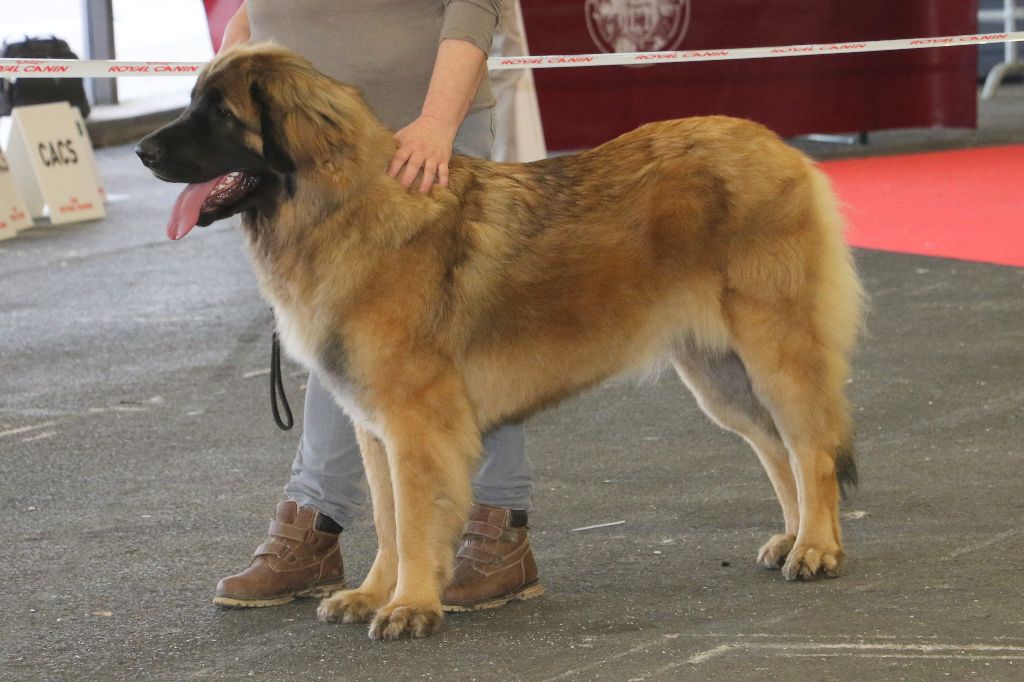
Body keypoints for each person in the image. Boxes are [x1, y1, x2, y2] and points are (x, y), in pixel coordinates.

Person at [211, 0, 542, 613]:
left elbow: (474, 6)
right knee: (342, 344)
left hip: (420, 129)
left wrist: (438, 121)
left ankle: (499, 528)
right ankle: (319, 523)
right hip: (299, 137)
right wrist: (223, 91)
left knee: (457, 344)